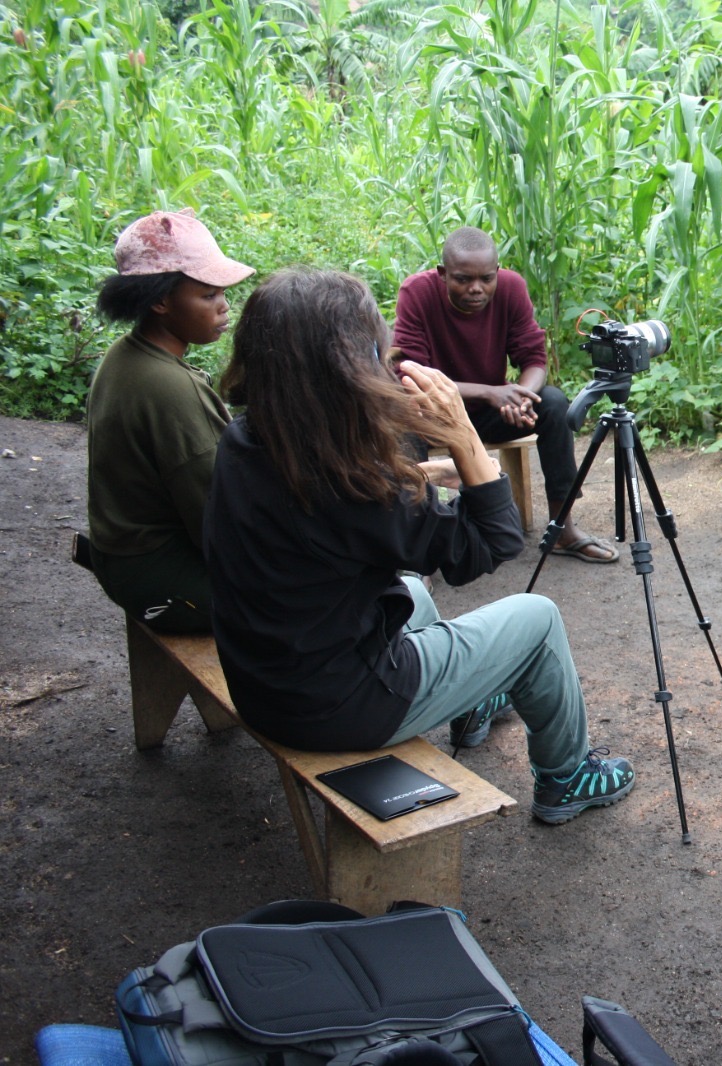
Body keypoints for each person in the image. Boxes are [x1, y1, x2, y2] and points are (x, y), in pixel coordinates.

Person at [203, 268, 635, 826]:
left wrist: (415, 477)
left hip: (267, 679)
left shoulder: (253, 437)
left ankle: (472, 701)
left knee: (409, 588)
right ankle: (566, 777)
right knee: (537, 618)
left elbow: (347, 518)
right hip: (333, 706)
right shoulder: (354, 485)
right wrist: (462, 434)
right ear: (349, 366)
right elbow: (493, 541)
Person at [391, 226, 618, 563]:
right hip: (432, 415)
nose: (476, 289)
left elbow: (534, 360)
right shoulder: (418, 293)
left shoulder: (511, 288)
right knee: (402, 423)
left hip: (486, 416)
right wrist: (491, 392)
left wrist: (521, 397)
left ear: (497, 272)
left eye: (485, 278)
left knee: (552, 403)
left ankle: (562, 528)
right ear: (442, 274)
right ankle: (417, 550)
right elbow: (411, 374)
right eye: (463, 279)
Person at [84, 208, 254, 632]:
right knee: (317, 598)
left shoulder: (126, 352)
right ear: (160, 300)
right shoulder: (169, 388)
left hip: (125, 558)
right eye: (207, 295)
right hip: (160, 579)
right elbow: (220, 522)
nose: (223, 307)